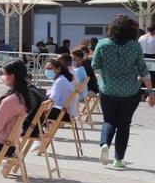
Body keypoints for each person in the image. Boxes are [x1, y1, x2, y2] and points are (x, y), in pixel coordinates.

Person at [92, 15, 155, 169]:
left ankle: (104, 144)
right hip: (130, 92)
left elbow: (95, 65)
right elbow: (143, 70)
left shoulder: (102, 44)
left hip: (108, 90)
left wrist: (102, 80)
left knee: (109, 121)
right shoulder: (134, 46)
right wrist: (151, 92)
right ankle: (118, 160)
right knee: (124, 124)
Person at [0, 60, 33, 157]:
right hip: (10, 144)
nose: (2, 76)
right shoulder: (23, 96)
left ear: (11, 76)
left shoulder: (11, 100)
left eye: (3, 73)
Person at [44, 56, 78, 123]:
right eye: (46, 69)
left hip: (63, 112)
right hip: (66, 110)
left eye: (50, 68)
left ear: (58, 69)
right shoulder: (61, 79)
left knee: (35, 111)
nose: (48, 71)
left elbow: (52, 99)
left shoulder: (59, 81)